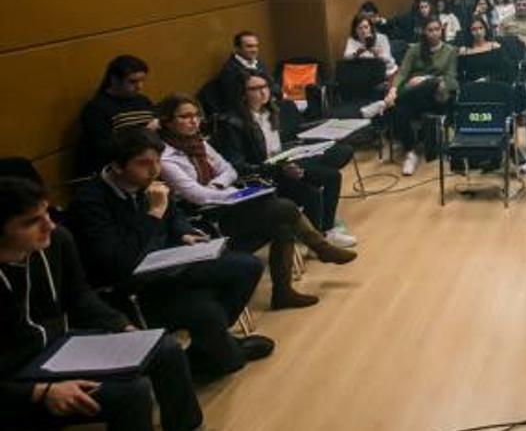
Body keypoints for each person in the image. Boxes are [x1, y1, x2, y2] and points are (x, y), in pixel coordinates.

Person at [68, 128, 274, 380]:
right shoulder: (90, 202)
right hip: (134, 285)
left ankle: (212, 343)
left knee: (247, 266)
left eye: (157, 161)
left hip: (169, 263)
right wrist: (153, 214)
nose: (154, 170)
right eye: (144, 163)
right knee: (210, 319)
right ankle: (216, 348)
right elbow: (118, 262)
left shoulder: (146, 183)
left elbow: (174, 215)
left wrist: (184, 233)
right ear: (116, 166)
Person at [1, 177, 204, 431]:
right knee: (132, 392)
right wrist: (39, 392)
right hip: (16, 381)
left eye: (47, 214)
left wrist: (122, 326)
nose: (49, 225)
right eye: (32, 222)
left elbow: (80, 297)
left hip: (58, 350)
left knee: (164, 348)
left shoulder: (57, 241)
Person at [155, 95, 357, 309]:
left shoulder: (199, 143)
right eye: (185, 117)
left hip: (227, 204)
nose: (193, 121)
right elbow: (195, 195)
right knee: (284, 208)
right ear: (168, 121)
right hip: (209, 219)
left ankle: (283, 293)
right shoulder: (165, 157)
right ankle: (321, 247)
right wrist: (231, 194)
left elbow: (228, 170)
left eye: (196, 115)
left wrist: (218, 186)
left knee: (282, 226)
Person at [213, 70, 357, 247]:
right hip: (262, 176)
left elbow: (278, 147)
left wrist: (294, 158)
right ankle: (319, 238)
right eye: (254, 88)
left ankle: (326, 231)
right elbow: (238, 165)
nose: (263, 92)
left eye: (264, 86)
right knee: (312, 192)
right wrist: (281, 168)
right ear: (242, 94)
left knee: (331, 175)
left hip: (281, 164)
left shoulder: (272, 111)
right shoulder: (232, 123)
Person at [387, 17, 459, 175]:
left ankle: (386, 105)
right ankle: (410, 153)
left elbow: (451, 79)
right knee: (400, 109)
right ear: (424, 32)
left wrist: (426, 79)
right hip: (413, 99)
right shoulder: (414, 49)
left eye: (436, 29)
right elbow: (403, 72)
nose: (433, 33)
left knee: (427, 86)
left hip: (438, 97)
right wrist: (392, 90)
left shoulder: (450, 51)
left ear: (442, 30)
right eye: (430, 30)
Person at [77, 55, 158, 177]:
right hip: (118, 172)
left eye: (142, 81)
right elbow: (103, 148)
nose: (140, 86)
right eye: (133, 81)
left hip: (148, 166)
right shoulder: (97, 108)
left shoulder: (143, 101)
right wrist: (144, 132)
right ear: (114, 80)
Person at [209, 30, 274, 115]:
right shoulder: (230, 71)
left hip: (267, 107)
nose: (254, 50)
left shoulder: (259, 63)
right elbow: (236, 101)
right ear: (237, 48)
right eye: (249, 46)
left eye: (256, 46)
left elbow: (271, 85)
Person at [343, 14, 398, 78]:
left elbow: (389, 61)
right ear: (355, 30)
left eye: (366, 27)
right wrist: (357, 53)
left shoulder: (382, 38)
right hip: (365, 75)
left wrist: (378, 54)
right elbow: (346, 58)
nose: (363, 31)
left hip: (386, 73)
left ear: (371, 28)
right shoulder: (352, 40)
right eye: (360, 28)